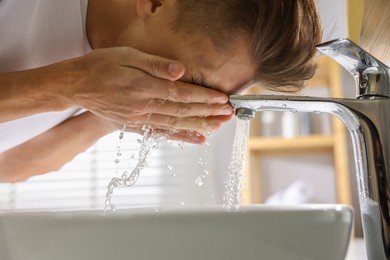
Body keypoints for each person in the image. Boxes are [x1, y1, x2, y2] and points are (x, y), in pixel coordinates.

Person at [0, 0, 322, 182]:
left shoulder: (106, 75)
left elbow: (8, 166)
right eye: (190, 80)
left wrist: (106, 121)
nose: (177, 97)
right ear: (154, 4)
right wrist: (72, 85)